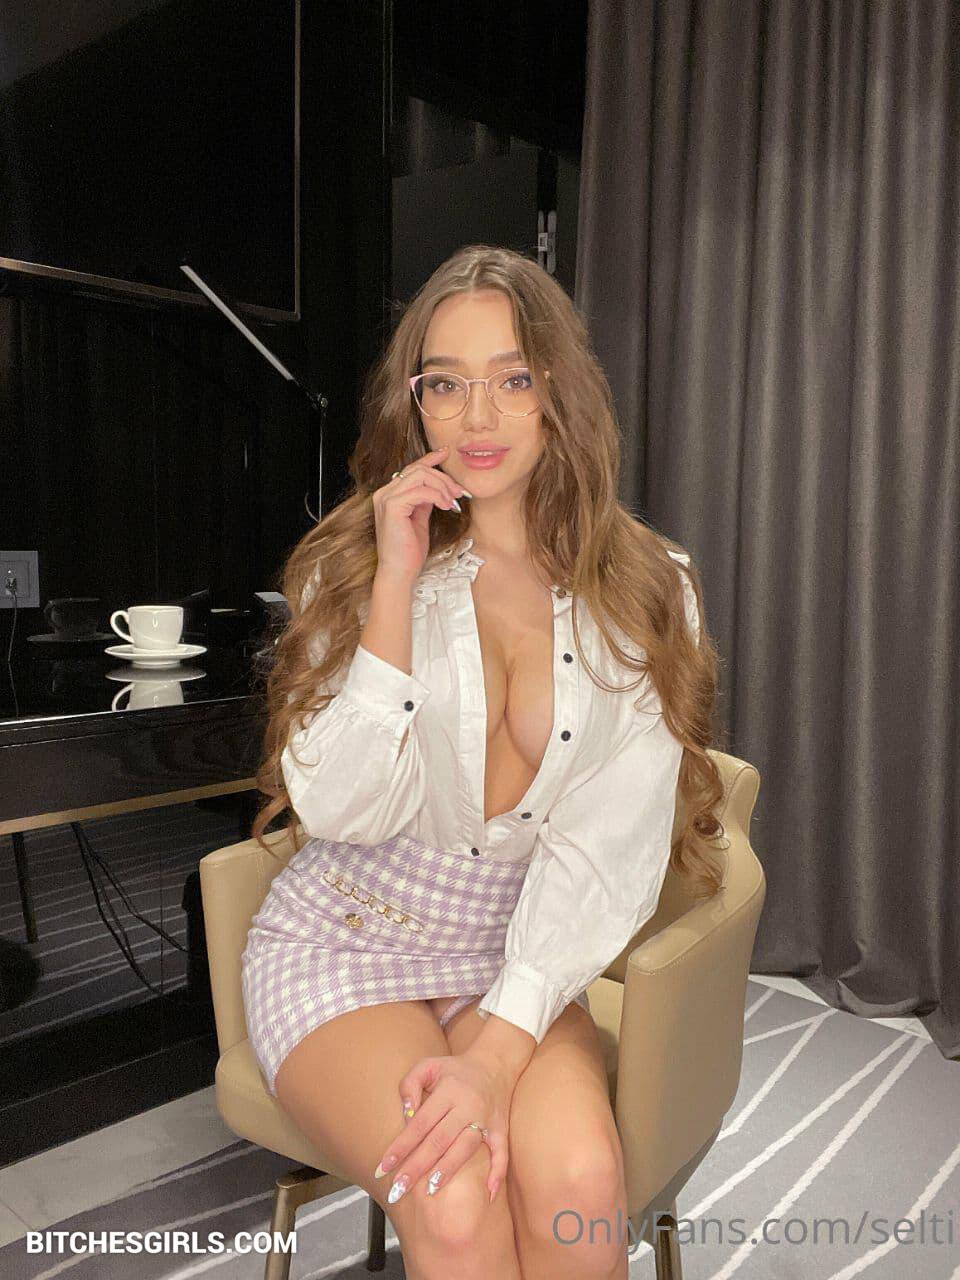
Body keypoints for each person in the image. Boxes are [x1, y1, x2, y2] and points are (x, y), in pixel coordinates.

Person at [242, 244, 724, 1280]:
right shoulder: (354, 566)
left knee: (581, 1187)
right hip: (345, 940)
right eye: (447, 383)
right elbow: (341, 812)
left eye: (514, 378)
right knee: (454, 1196)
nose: (479, 416)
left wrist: (499, 1051)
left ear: (559, 392)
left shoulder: (651, 588)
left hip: (516, 949)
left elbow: (608, 845)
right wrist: (394, 586)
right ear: (413, 403)